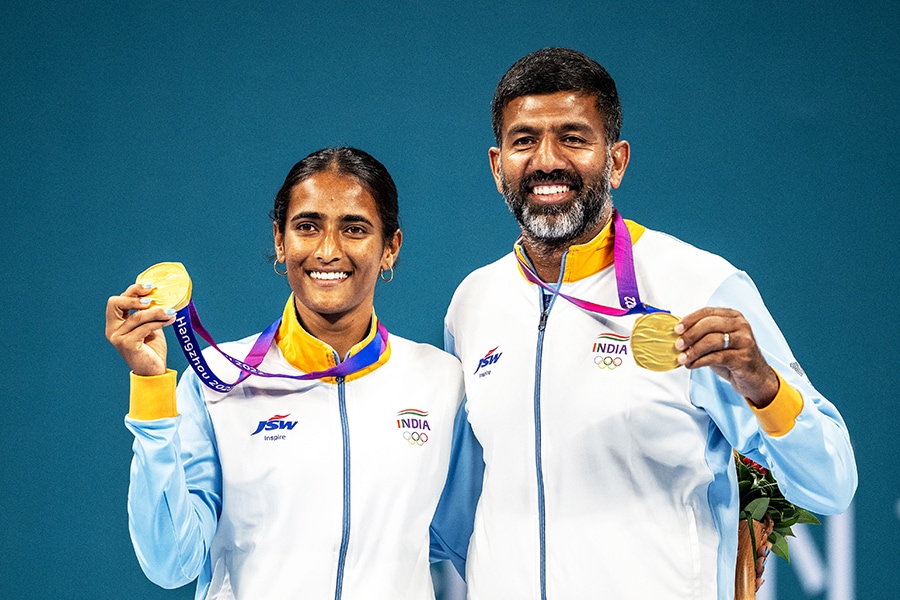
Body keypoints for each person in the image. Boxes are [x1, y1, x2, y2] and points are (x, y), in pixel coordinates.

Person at [429, 48, 857, 599]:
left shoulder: (701, 287)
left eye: (574, 137)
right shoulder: (472, 304)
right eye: (524, 140)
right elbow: (461, 514)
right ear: (497, 166)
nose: (546, 160)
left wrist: (762, 384)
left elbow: (832, 482)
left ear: (617, 160)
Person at [106, 147, 464, 599]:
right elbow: (170, 562)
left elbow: (465, 546)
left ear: (390, 248)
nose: (328, 251)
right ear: (280, 240)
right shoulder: (215, 379)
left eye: (354, 228)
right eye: (307, 227)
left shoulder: (441, 381)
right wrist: (152, 386)